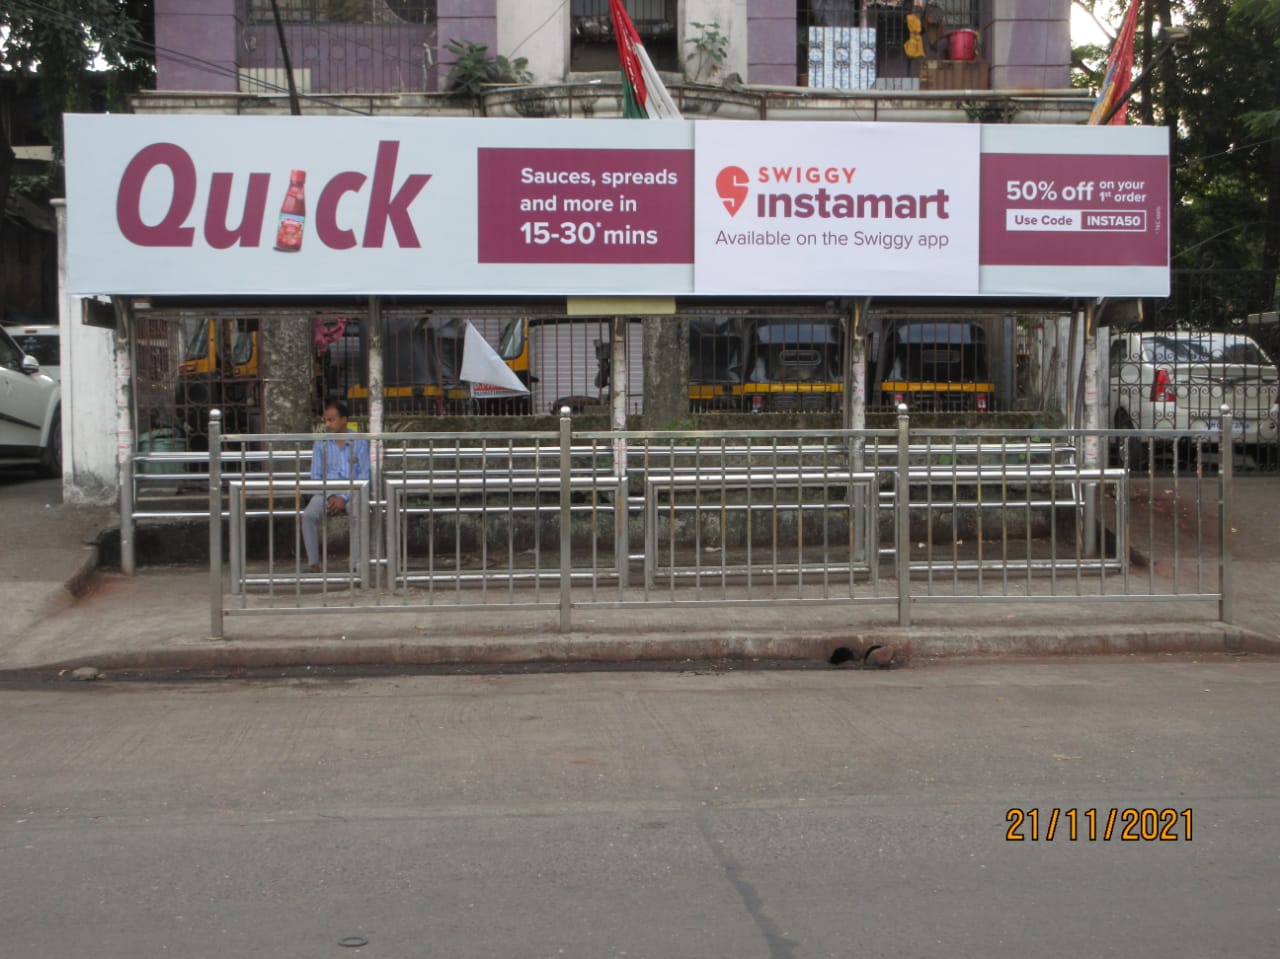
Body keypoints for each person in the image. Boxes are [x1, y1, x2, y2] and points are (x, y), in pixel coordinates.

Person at [302, 401, 370, 573]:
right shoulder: (321, 443)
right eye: (326, 420)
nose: (327, 424)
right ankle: (313, 563)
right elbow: (315, 476)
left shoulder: (360, 442)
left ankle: (355, 563)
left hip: (353, 492)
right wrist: (331, 495)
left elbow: (364, 475)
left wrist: (344, 497)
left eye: (331, 420)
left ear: (344, 420)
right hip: (326, 492)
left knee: (358, 512)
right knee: (309, 515)